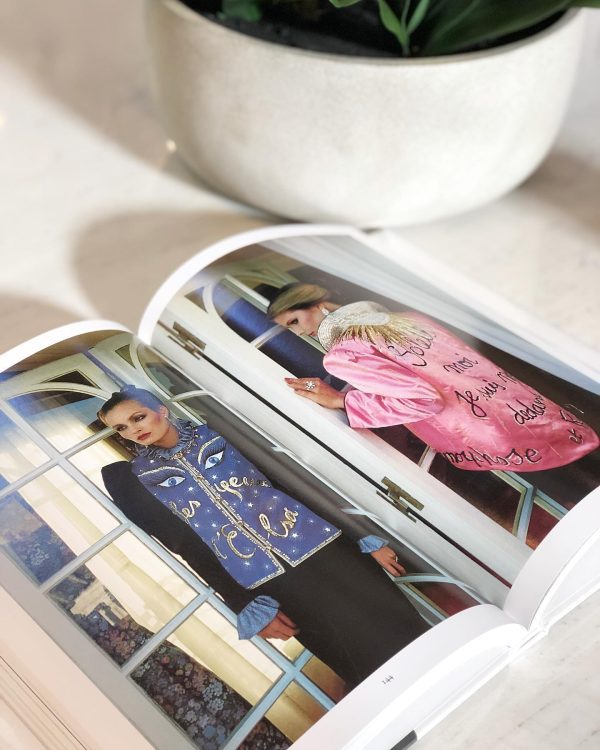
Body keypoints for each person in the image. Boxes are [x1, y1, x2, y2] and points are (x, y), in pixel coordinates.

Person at [98, 386, 429, 688]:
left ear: (161, 409)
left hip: (324, 547)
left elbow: (295, 483)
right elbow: (191, 548)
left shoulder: (218, 432)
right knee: (359, 660)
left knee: (394, 625)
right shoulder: (142, 479)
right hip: (267, 580)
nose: (134, 430)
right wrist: (242, 602)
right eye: (121, 428)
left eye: (138, 417)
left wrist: (360, 535)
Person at [267, 283, 599, 473]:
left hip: (489, 437)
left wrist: (343, 400)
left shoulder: (343, 354)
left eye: (294, 321)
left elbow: (422, 400)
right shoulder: (407, 319)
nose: (300, 333)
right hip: (526, 409)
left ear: (318, 305)